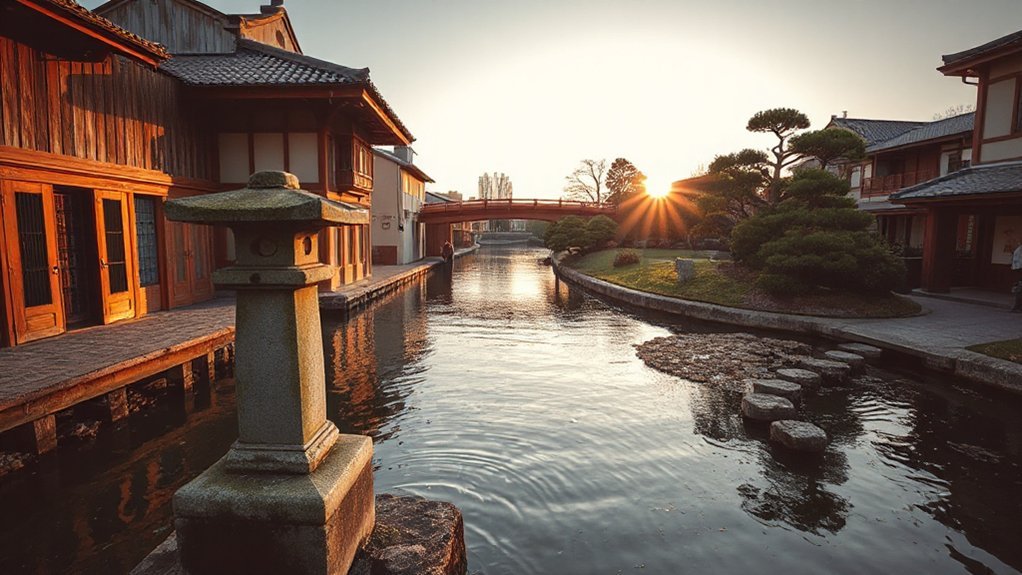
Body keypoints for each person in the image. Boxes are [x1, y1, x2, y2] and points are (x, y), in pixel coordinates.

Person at [1012, 243, 1022, 312]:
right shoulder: (1019, 250)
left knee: (1019, 290)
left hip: (1019, 269)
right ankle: (1017, 307)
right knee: (1020, 290)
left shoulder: (1019, 249)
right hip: (1020, 269)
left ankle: (1017, 307)